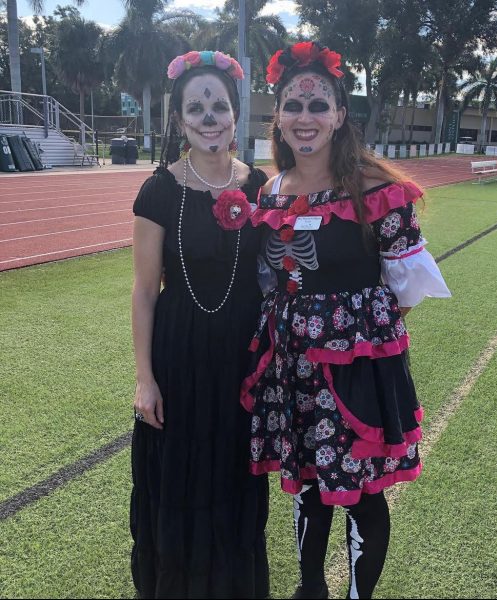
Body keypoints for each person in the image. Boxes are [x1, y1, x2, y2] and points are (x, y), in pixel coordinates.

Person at [241, 42, 451, 599]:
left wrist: (350, 324)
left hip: (352, 366)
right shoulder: (271, 192)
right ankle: (311, 589)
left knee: (361, 490)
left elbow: (406, 286)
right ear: (278, 118)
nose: (305, 118)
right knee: (307, 485)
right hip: (290, 367)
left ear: (338, 115)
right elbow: (269, 277)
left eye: (318, 106)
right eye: (293, 106)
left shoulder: (376, 190)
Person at [130, 50, 269, 599]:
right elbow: (143, 292)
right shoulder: (158, 191)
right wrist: (145, 378)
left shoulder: (262, 186)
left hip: (242, 356)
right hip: (179, 353)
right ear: (180, 120)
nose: (209, 117)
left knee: (233, 470)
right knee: (182, 473)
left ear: (235, 114)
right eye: (197, 107)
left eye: (219, 106)